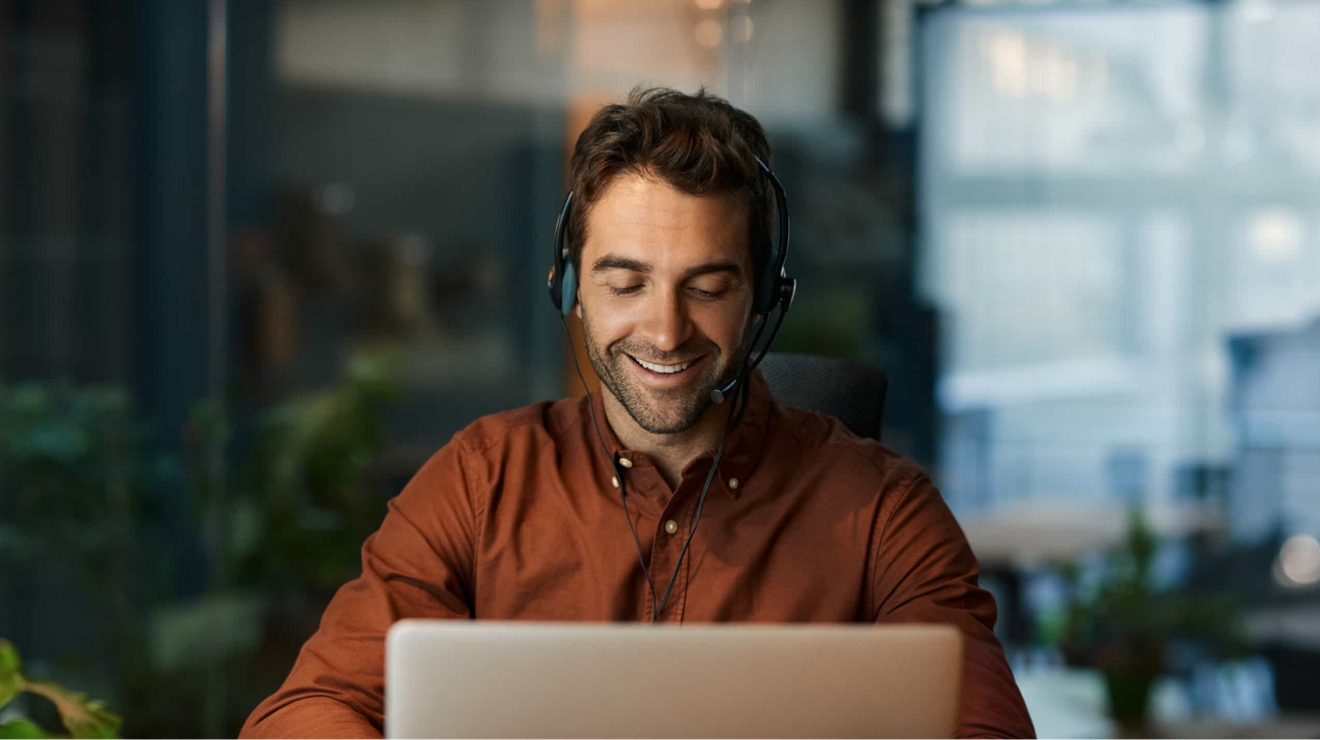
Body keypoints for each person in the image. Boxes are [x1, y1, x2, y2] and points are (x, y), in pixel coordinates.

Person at [240, 87, 1035, 739]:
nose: (664, 331)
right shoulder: (482, 481)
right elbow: (307, 711)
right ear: (569, 287)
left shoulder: (882, 510)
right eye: (626, 283)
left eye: (709, 286)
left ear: (763, 297)